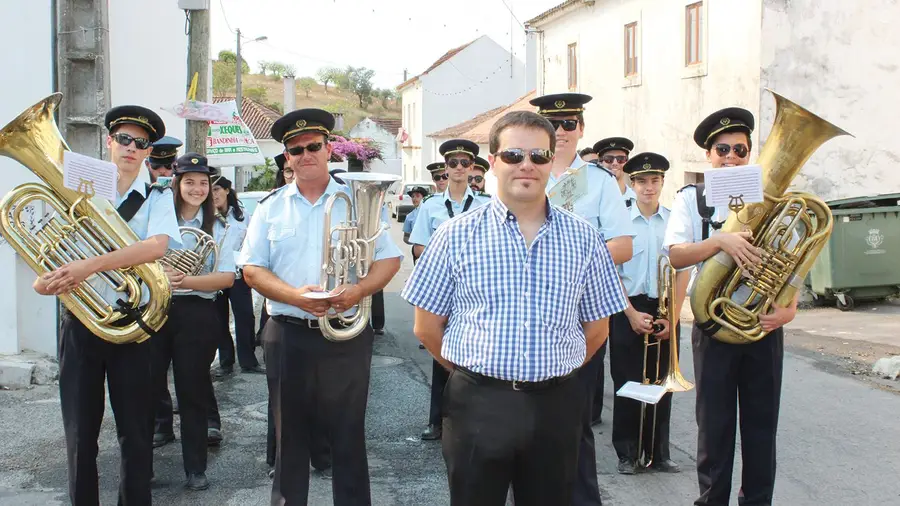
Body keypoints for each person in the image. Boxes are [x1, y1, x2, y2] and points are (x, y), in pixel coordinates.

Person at [402, 110, 626, 506]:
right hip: (477, 405)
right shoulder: (454, 236)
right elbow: (425, 327)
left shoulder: (585, 239)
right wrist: (474, 376)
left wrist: (555, 369)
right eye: (513, 155)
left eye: (539, 156)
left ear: (552, 161)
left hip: (556, 406)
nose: (527, 165)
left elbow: (597, 329)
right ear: (492, 162)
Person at [239, 107, 402, 505]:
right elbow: (251, 270)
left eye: (313, 146)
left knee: (348, 433)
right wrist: (296, 296)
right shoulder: (270, 207)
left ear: (328, 149)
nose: (306, 154)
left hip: (345, 332)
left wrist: (359, 290)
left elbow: (389, 258)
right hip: (288, 333)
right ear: (286, 159)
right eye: (296, 150)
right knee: (288, 435)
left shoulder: (355, 199)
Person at [30, 105, 181, 505]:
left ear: (149, 152)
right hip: (82, 320)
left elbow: (157, 245)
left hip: (133, 325)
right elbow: (52, 247)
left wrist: (91, 264)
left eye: (142, 143)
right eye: (125, 139)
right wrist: (44, 281)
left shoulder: (157, 196)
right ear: (110, 142)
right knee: (80, 435)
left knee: (136, 432)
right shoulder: (78, 188)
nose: (132, 148)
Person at [663, 107, 795, 506]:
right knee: (715, 429)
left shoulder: (773, 200)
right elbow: (676, 254)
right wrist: (721, 241)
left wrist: (790, 309)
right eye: (722, 149)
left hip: (762, 325)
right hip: (714, 326)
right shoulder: (692, 199)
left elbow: (794, 261)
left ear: (750, 153)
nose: (731, 157)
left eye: (740, 149)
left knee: (761, 428)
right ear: (708, 155)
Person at [530, 92, 634, 505]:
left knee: (573, 419)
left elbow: (623, 246)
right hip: (524, 311)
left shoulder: (600, 182)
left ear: (582, 129)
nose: (561, 132)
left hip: (577, 313)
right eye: (553, 125)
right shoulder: (524, 172)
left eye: (569, 124)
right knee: (519, 419)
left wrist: (568, 259)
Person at [149, 153, 237, 491]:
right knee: (146, 388)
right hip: (155, 308)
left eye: (203, 183)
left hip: (197, 314)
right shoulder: (156, 219)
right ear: (177, 184)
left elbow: (226, 278)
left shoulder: (221, 227)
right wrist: (160, 275)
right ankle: (142, 466)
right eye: (190, 182)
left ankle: (195, 468)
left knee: (193, 390)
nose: (197, 188)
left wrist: (184, 280)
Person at [409, 138, 491, 441]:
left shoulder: (487, 205)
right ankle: (438, 420)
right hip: (443, 288)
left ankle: (473, 418)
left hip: (474, 288)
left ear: (472, 168)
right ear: (445, 167)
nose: (458, 168)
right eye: (452, 163)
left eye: (464, 163)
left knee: (474, 351)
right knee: (439, 350)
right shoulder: (431, 206)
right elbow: (418, 247)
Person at [609, 152, 680, 475]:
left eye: (655, 181)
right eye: (642, 182)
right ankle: (627, 453)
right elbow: (610, 273)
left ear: (663, 183)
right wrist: (632, 314)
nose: (649, 188)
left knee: (661, 382)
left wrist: (674, 317)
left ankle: (658, 452)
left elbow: (683, 271)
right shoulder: (621, 222)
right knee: (627, 382)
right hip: (627, 307)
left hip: (663, 308)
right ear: (632, 184)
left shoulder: (673, 222)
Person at [210, 175, 264, 375]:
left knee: (245, 317)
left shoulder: (241, 215)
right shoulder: (206, 216)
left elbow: (252, 241)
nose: (214, 194)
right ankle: (225, 361)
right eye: (211, 190)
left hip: (238, 275)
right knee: (219, 319)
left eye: (217, 189)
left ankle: (248, 361)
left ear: (226, 190)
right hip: (216, 275)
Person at [593, 137, 637, 202]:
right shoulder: (591, 200)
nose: (615, 163)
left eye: (621, 159)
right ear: (600, 163)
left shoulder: (638, 200)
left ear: (627, 162)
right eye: (609, 159)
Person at [402, 186, 428, 263]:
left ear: (424, 198)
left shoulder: (431, 212)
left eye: (417, 196)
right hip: (418, 251)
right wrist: (416, 241)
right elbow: (406, 237)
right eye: (412, 196)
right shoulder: (409, 216)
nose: (414, 198)